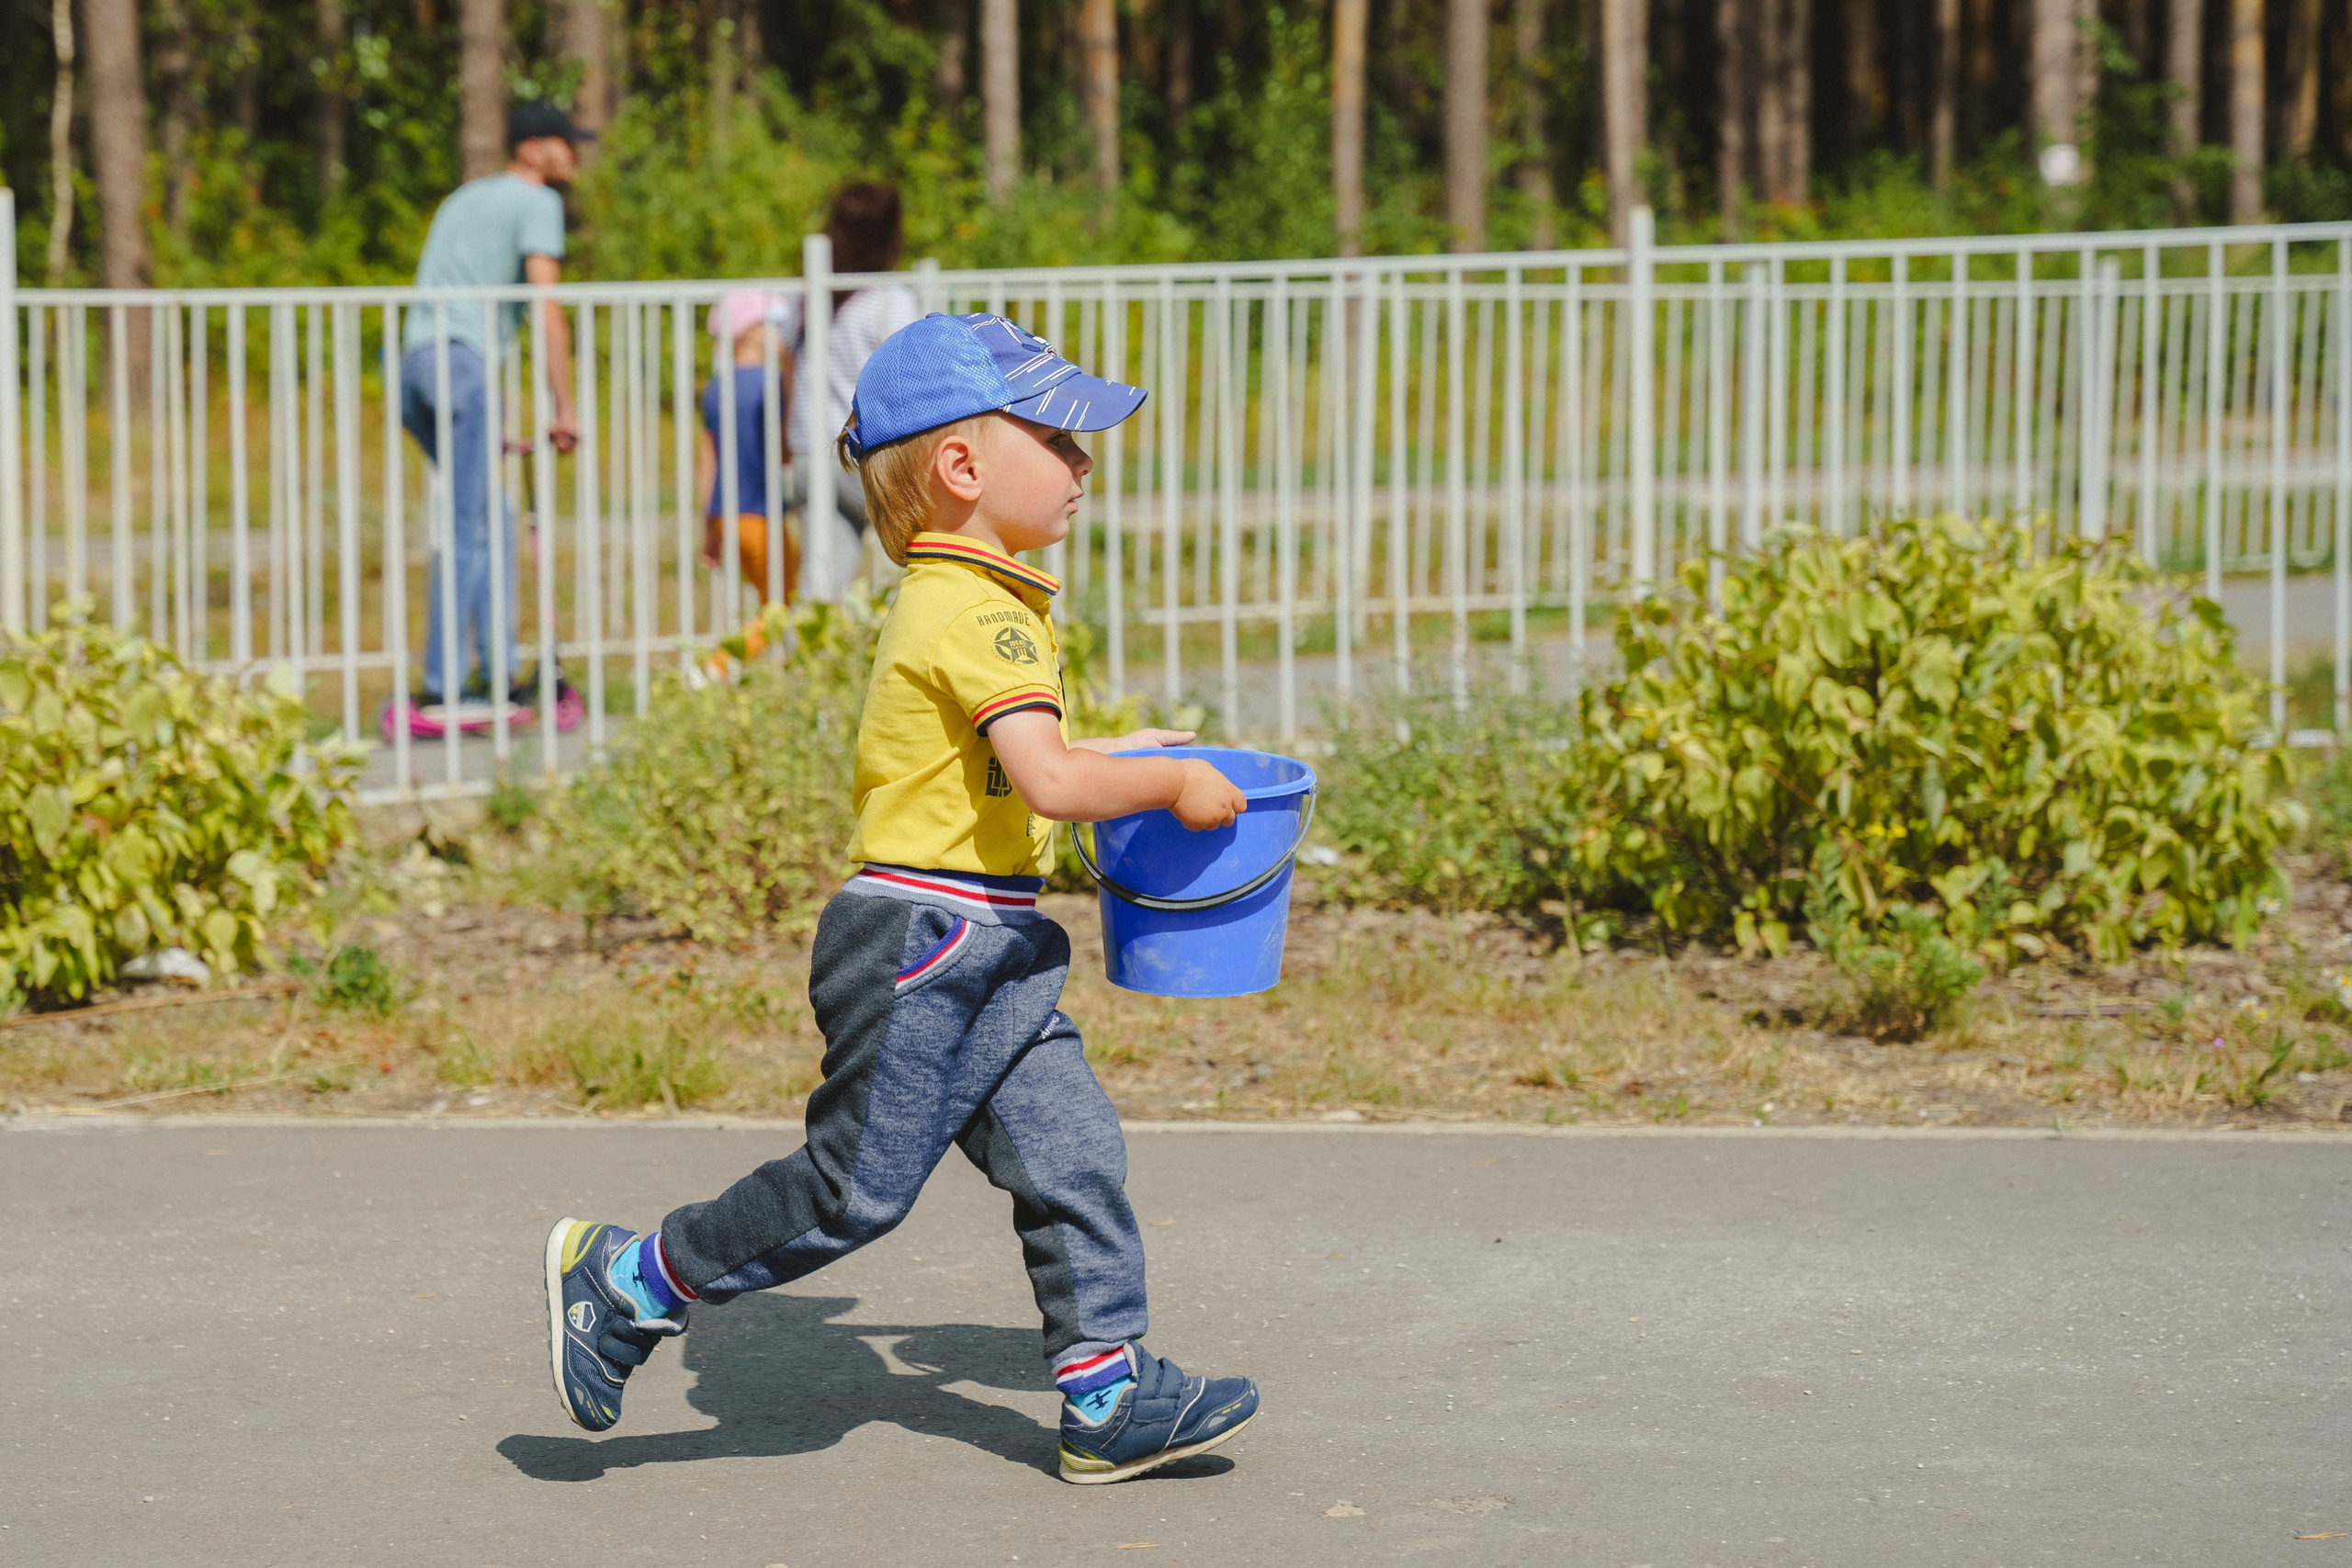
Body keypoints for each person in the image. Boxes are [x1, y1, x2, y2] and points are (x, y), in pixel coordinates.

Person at [542, 311, 1262, 1485]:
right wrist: (1170, 778)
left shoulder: (976, 595)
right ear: (962, 469)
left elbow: (1011, 772)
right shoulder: (979, 611)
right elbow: (1051, 779)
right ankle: (627, 1282)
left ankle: (1107, 1392)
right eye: (1060, 438)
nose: (1084, 463)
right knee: (854, 1194)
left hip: (993, 940)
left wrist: (1111, 746)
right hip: (926, 944)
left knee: (1071, 1154)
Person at [385, 102, 588, 741]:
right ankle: (444, 687)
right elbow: (545, 305)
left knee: (490, 516)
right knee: (471, 526)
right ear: (532, 148)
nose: (574, 154)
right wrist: (563, 404)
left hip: (416, 368)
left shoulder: (466, 198)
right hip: (462, 367)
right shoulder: (537, 201)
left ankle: (494, 669)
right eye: (564, 142)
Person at [771, 181, 922, 598]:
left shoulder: (805, 298)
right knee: (938, 559)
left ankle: (801, 662)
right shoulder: (890, 301)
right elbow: (908, 386)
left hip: (808, 454)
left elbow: (786, 372)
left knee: (820, 590)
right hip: (866, 459)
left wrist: (787, 441)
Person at [695, 288, 797, 606]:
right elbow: (783, 451)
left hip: (726, 516)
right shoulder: (774, 383)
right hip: (760, 514)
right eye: (774, 325)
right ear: (750, 332)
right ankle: (721, 659)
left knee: (773, 600)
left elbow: (707, 462)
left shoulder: (716, 387)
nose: (782, 333)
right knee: (783, 605)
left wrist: (709, 530)